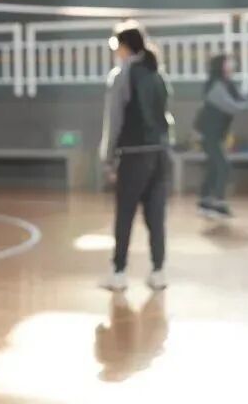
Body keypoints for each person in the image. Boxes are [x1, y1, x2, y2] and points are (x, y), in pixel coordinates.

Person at [98, 21, 172, 292]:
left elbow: (114, 120)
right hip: (161, 154)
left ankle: (118, 273)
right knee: (156, 217)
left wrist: (107, 157)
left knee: (125, 215)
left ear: (124, 46)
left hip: (134, 154)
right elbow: (166, 119)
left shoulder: (122, 75)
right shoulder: (158, 74)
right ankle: (158, 271)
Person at [193, 54, 248, 220]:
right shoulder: (215, 86)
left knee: (214, 167)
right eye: (228, 62)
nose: (233, 64)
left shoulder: (228, 84)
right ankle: (219, 204)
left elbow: (243, 99)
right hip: (207, 133)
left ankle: (205, 202)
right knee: (223, 166)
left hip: (217, 133)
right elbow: (231, 106)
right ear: (221, 66)